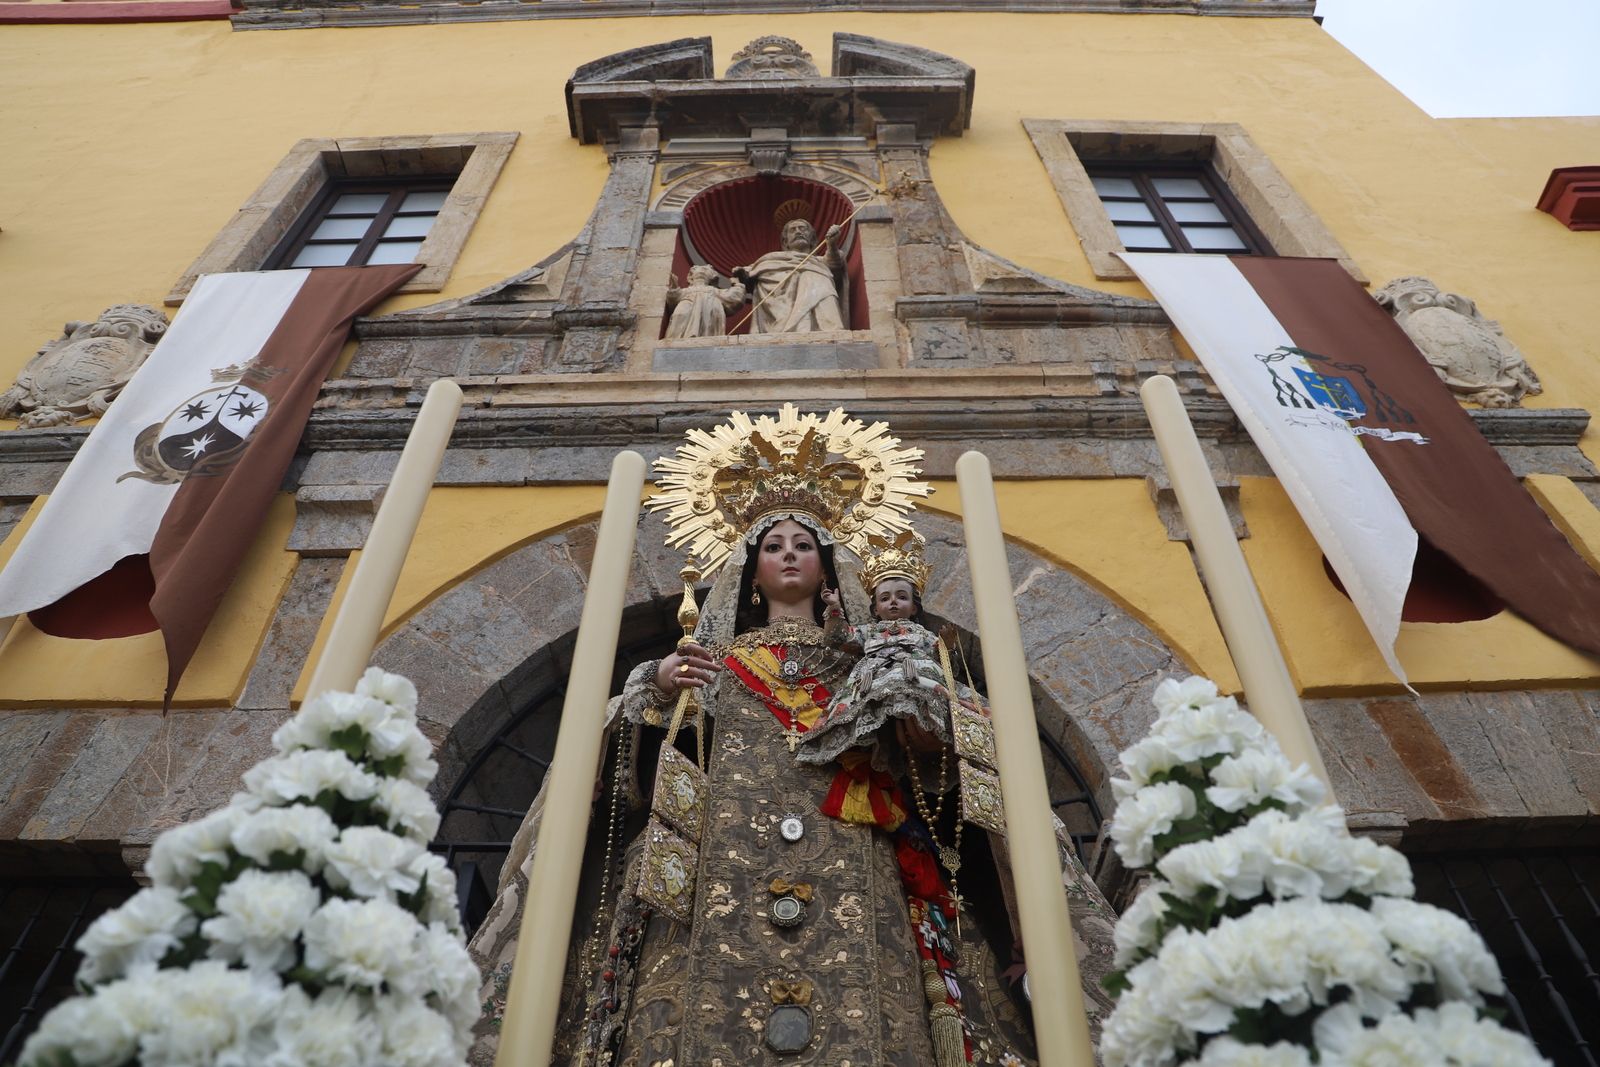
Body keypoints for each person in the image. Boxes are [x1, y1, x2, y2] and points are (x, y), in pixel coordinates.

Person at [465, 408, 1118, 1067]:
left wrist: (923, 714)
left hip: (855, 867)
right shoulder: (711, 665)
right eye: (774, 546)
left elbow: (936, 768)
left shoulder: (870, 662)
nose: (788, 555)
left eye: (803, 545)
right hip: (718, 868)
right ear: (751, 569)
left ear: (828, 566)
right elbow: (626, 762)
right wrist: (659, 685)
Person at [800, 530, 985, 773]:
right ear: (876, 608)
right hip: (874, 678)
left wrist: (948, 646)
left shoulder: (923, 635)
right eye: (885, 598)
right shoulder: (869, 631)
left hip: (916, 675)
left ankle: (925, 722)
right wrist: (834, 608)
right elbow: (838, 638)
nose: (893, 602)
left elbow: (948, 668)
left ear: (913, 606)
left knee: (934, 694)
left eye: (901, 597)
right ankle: (875, 739)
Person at [732, 218, 846, 334]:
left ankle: (828, 328)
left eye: (802, 229)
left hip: (819, 295)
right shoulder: (772, 259)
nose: (798, 232)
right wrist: (742, 274)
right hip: (779, 306)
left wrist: (831, 245)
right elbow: (750, 274)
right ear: (785, 242)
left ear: (811, 238)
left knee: (815, 276)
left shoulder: (819, 262)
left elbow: (834, 265)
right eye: (792, 230)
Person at [664, 263, 746, 339]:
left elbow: (733, 298)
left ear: (712, 277)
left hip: (708, 317)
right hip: (685, 315)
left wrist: (737, 285)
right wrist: (674, 287)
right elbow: (673, 299)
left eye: (705, 270)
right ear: (691, 277)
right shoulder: (686, 291)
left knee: (708, 328)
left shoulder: (714, 290)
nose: (702, 271)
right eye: (698, 270)